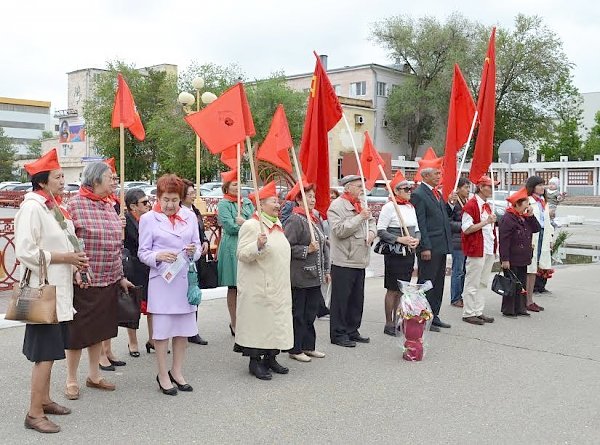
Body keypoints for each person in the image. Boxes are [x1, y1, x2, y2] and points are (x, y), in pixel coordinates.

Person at [15, 149, 89, 434]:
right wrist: (65, 259)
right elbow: (25, 252)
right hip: (42, 292)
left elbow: (65, 243)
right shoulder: (32, 207)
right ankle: (33, 413)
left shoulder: (53, 205)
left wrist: (74, 265)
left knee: (51, 351)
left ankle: (44, 400)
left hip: (59, 291)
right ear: (43, 181)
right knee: (44, 354)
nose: (63, 181)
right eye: (59, 177)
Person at [65, 162, 133, 400]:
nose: (113, 181)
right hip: (84, 279)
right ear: (95, 180)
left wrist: (121, 276)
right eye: (109, 177)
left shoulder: (109, 205)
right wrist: (75, 268)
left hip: (109, 278)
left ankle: (94, 375)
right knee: (78, 333)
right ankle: (71, 379)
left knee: (99, 330)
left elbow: (116, 246)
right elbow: (67, 242)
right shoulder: (74, 205)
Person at [138, 174, 201, 395]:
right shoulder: (148, 219)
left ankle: (177, 370)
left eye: (174, 200)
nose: (170, 205)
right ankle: (162, 373)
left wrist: (194, 252)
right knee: (162, 331)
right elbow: (142, 252)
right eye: (166, 199)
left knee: (183, 330)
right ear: (158, 197)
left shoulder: (190, 217)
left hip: (183, 279)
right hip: (162, 281)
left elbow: (198, 247)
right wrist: (158, 256)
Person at [234, 181, 293, 380]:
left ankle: (271, 357)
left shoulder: (278, 224)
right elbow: (241, 253)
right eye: (273, 201)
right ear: (261, 205)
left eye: (278, 201)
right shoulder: (252, 225)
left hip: (278, 285)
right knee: (259, 325)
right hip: (259, 286)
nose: (278, 205)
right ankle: (255, 362)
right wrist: (257, 246)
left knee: (274, 324)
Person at [283, 182, 330, 362]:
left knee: (311, 313)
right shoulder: (295, 219)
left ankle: (309, 346)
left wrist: (326, 269)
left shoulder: (313, 218)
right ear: (298, 200)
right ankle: (295, 348)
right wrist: (305, 250)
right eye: (308, 197)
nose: (312, 200)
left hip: (314, 276)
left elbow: (322, 246)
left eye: (313, 196)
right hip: (300, 275)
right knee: (299, 314)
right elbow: (286, 246)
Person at [328, 175, 376, 347]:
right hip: (344, 260)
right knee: (341, 300)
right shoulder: (336, 206)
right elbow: (339, 230)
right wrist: (359, 217)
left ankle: (352, 329)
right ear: (347, 188)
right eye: (358, 186)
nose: (361, 189)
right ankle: (338, 334)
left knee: (357, 299)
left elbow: (372, 222)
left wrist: (371, 233)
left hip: (360, 258)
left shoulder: (361, 203)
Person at [410, 157, 453, 332]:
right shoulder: (419, 194)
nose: (439, 176)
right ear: (426, 175)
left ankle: (434, 315)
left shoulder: (436, 193)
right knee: (426, 282)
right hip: (430, 246)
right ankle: (422, 315)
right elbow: (421, 223)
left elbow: (443, 216)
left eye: (440, 173)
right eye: (436, 173)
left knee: (438, 283)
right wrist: (425, 246)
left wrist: (450, 203)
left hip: (441, 245)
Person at [376, 173, 420, 336]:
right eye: (405, 188)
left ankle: (399, 319)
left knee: (403, 289)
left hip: (409, 252)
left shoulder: (410, 207)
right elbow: (381, 231)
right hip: (395, 253)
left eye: (410, 188)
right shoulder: (389, 207)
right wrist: (399, 239)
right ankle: (389, 323)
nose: (409, 191)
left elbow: (416, 229)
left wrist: (417, 240)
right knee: (393, 289)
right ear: (396, 191)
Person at [216, 170, 255, 336]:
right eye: (234, 184)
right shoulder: (223, 204)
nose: (237, 187)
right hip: (232, 247)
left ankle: (248, 320)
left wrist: (245, 223)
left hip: (249, 244)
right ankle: (234, 323)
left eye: (239, 184)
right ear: (226, 187)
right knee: (234, 286)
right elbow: (230, 227)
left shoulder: (246, 202)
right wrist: (246, 226)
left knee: (248, 286)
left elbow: (255, 220)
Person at [460, 175, 498, 325]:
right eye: (489, 186)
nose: (491, 189)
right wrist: (486, 221)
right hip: (476, 248)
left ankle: (478, 310)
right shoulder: (471, 205)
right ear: (481, 187)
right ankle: (469, 312)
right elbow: (467, 229)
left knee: (483, 282)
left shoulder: (487, 205)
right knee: (472, 281)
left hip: (488, 248)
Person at [498, 187, 541, 316]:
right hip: (512, 257)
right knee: (511, 284)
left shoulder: (524, 217)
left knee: (521, 283)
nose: (528, 205)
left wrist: (531, 216)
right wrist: (504, 259)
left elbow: (536, 228)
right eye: (526, 203)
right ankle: (509, 309)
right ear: (517, 204)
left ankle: (520, 308)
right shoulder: (508, 218)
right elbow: (504, 240)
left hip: (523, 257)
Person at [123, 188, 152, 356]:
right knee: (133, 306)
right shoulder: (125, 221)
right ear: (133, 206)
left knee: (152, 305)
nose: (148, 205)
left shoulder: (150, 219)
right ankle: (133, 342)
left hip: (148, 266)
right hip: (133, 267)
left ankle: (153, 338)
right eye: (145, 203)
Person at [181, 179, 209, 346]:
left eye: (194, 193)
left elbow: (201, 231)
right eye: (190, 193)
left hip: (196, 257)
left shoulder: (195, 211)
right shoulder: (179, 213)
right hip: (183, 259)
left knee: (194, 291)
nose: (193, 196)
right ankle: (183, 330)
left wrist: (204, 240)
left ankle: (193, 329)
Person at [525, 176, 555, 311]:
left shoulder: (543, 201)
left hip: (542, 235)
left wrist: (550, 239)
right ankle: (525, 299)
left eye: (543, 185)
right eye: (540, 185)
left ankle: (530, 300)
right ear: (533, 187)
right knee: (529, 268)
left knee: (535, 268)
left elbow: (547, 223)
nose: (543, 187)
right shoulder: (528, 201)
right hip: (532, 236)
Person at [448, 177, 470, 308]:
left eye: (468, 187)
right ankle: (455, 297)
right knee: (458, 270)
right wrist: (464, 225)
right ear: (458, 188)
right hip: (457, 241)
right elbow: (449, 222)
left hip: (467, 240)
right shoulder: (454, 203)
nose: (468, 190)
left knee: (465, 270)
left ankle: (461, 295)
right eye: (465, 187)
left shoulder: (466, 202)